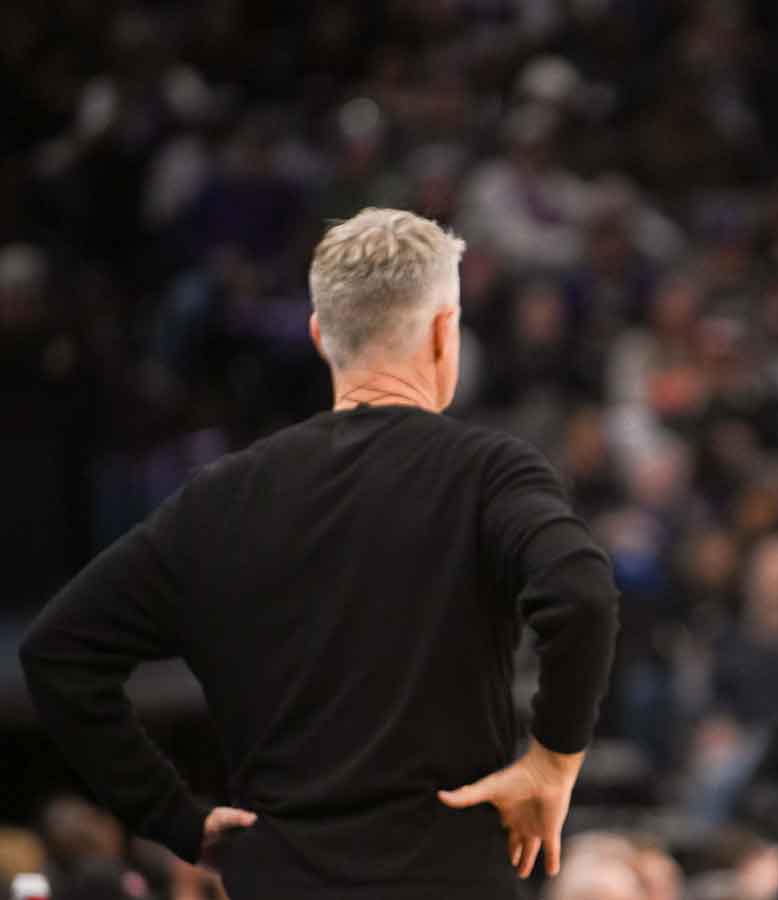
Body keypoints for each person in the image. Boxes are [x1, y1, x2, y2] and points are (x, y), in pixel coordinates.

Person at [19, 208, 620, 900]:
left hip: (281, 877)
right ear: (443, 331)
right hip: (452, 876)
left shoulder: (221, 500)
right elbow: (580, 594)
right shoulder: (488, 473)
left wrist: (172, 815)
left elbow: (58, 654)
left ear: (318, 336)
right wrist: (552, 763)